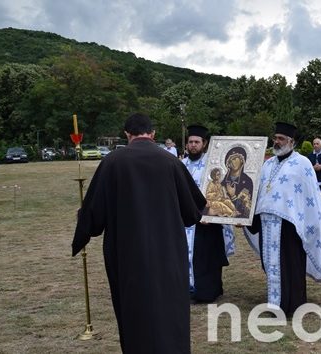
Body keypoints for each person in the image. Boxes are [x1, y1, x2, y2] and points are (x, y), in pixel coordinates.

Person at [71, 113, 205, 353]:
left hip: (127, 255)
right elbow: (193, 212)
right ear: (152, 133)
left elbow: (94, 216)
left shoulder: (112, 162)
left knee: (135, 313)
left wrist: (84, 220)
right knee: (169, 312)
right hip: (168, 256)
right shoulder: (171, 162)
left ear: (127, 134)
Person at [244, 122, 321, 316]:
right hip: (267, 224)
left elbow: (310, 197)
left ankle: (294, 304)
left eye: (281, 139)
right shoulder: (267, 164)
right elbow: (257, 192)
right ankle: (275, 302)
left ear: (291, 141)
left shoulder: (302, 163)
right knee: (271, 264)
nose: (277, 142)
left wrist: (308, 224)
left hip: (290, 226)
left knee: (291, 265)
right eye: (275, 138)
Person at [182, 125, 236, 303]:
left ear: (204, 144)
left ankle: (208, 291)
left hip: (208, 221)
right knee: (186, 256)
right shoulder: (181, 165)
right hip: (186, 221)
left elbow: (221, 191)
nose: (193, 145)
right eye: (190, 142)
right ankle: (187, 288)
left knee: (206, 258)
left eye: (197, 142)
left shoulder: (212, 166)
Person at [221, 146, 254, 219]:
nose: (233, 162)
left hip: (239, 224)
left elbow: (246, 209)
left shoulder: (247, 181)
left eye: (235, 158)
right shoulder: (223, 182)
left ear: (242, 160)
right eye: (230, 160)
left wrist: (233, 196)